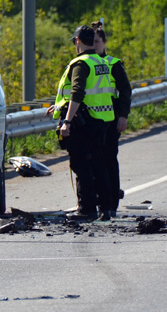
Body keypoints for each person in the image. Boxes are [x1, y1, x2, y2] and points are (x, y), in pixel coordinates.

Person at [45, 25, 115, 221]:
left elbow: (77, 92)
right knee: (99, 163)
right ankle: (106, 207)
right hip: (102, 119)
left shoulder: (80, 64)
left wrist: (66, 120)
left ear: (77, 41)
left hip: (84, 121)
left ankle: (86, 209)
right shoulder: (99, 62)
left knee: (81, 164)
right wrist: (59, 106)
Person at [91, 21, 132, 218]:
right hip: (91, 121)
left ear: (104, 42)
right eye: (92, 42)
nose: (95, 45)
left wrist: (123, 116)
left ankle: (111, 202)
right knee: (93, 163)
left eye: (98, 42)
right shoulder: (85, 63)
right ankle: (99, 202)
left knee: (108, 161)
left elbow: (125, 91)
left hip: (111, 119)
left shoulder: (113, 64)